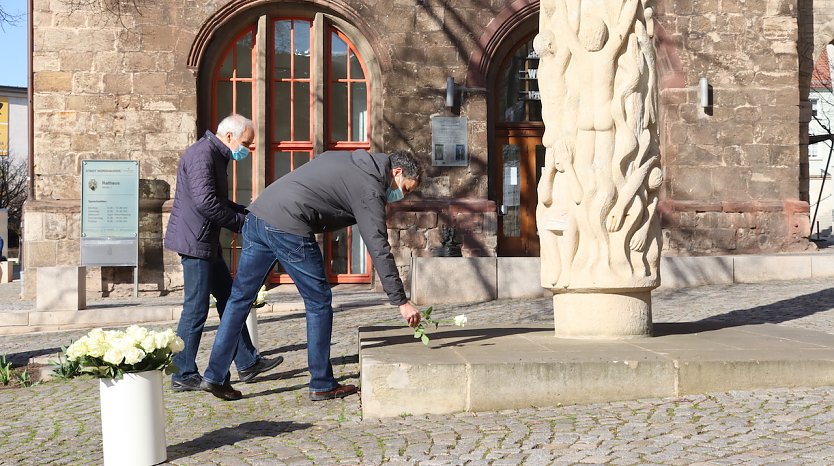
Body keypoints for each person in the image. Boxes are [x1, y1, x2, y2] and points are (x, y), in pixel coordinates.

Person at [200, 149, 423, 401]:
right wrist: (401, 301)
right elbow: (378, 246)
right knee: (318, 302)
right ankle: (321, 382)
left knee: (239, 299)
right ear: (397, 172)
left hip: (259, 215)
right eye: (404, 188)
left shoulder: (350, 159)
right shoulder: (369, 186)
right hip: (287, 225)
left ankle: (214, 375)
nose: (400, 197)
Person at [164, 114, 283, 392]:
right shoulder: (202, 155)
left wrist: (246, 213)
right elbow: (206, 203)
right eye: (246, 143)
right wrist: (242, 224)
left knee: (231, 299)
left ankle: (247, 362)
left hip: (205, 240)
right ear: (229, 136)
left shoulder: (215, 154)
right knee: (196, 308)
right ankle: (182, 372)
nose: (247, 150)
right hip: (196, 243)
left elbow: (215, 199)